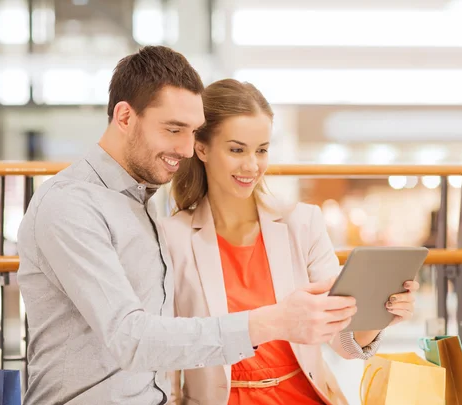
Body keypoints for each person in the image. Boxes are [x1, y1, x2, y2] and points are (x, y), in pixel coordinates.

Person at [16, 46, 360, 405]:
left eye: (192, 132)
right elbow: (132, 339)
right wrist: (273, 321)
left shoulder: (140, 205)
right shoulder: (71, 204)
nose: (185, 148)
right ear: (124, 117)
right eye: (173, 129)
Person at [161, 79, 420, 405]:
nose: (252, 166)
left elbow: (343, 340)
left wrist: (380, 314)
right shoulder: (173, 237)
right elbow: (165, 356)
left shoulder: (303, 223)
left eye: (262, 150)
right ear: (202, 148)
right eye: (236, 149)